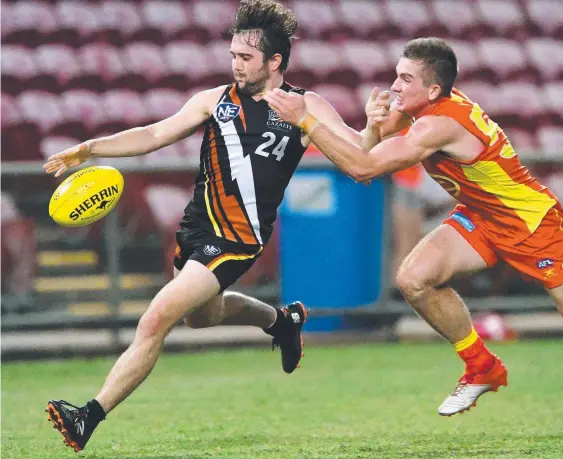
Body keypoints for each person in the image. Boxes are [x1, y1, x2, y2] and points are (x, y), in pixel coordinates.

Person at [42, 0, 393, 452]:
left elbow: (359, 151)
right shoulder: (215, 100)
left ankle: (88, 415)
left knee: (155, 320)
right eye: (232, 55)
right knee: (200, 317)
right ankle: (282, 322)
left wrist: (375, 129)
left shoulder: (305, 106)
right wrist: (92, 147)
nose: (235, 65)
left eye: (245, 58)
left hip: (237, 239)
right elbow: (153, 134)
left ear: (275, 61)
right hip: (195, 232)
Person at [264, 37, 563, 417]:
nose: (395, 86)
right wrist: (370, 124)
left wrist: (307, 121)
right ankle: (482, 367)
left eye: (405, 79)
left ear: (432, 89)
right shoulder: (419, 106)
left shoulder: (437, 126)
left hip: (529, 220)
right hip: (481, 215)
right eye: (397, 75)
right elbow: (367, 148)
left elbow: (362, 168)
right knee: (414, 278)